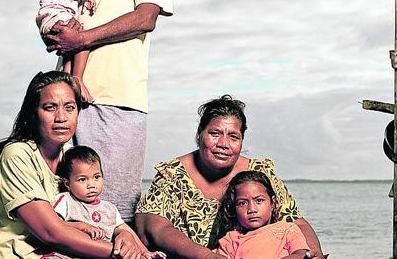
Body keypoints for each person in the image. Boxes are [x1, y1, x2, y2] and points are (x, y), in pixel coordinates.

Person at [45, 0, 173, 223]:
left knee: (116, 210)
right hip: (68, 98)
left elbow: (145, 18)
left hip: (120, 100)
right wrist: (52, 29)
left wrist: (83, 39)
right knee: (63, 205)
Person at [0, 71, 146, 259]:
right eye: (50, 107)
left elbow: (98, 211)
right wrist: (119, 252)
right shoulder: (17, 155)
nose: (61, 117)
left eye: (70, 108)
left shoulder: (68, 156)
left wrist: (127, 236)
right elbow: (50, 232)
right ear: (33, 113)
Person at [135, 95, 324, 259]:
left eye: (233, 137)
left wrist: (313, 254)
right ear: (199, 134)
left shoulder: (260, 172)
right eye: (215, 133)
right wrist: (209, 256)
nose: (224, 143)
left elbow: (294, 220)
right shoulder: (172, 174)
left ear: (242, 140)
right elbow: (155, 229)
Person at [42, 145, 165, 259]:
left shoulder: (109, 208)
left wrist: (145, 252)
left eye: (96, 177)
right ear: (67, 183)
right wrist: (81, 226)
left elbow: (127, 232)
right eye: (82, 179)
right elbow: (53, 225)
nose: (91, 185)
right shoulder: (66, 201)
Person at [213, 171, 310, 259]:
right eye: (243, 203)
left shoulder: (287, 230)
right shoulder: (230, 240)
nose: (252, 209)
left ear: (273, 203)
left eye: (259, 200)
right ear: (234, 208)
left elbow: (301, 254)